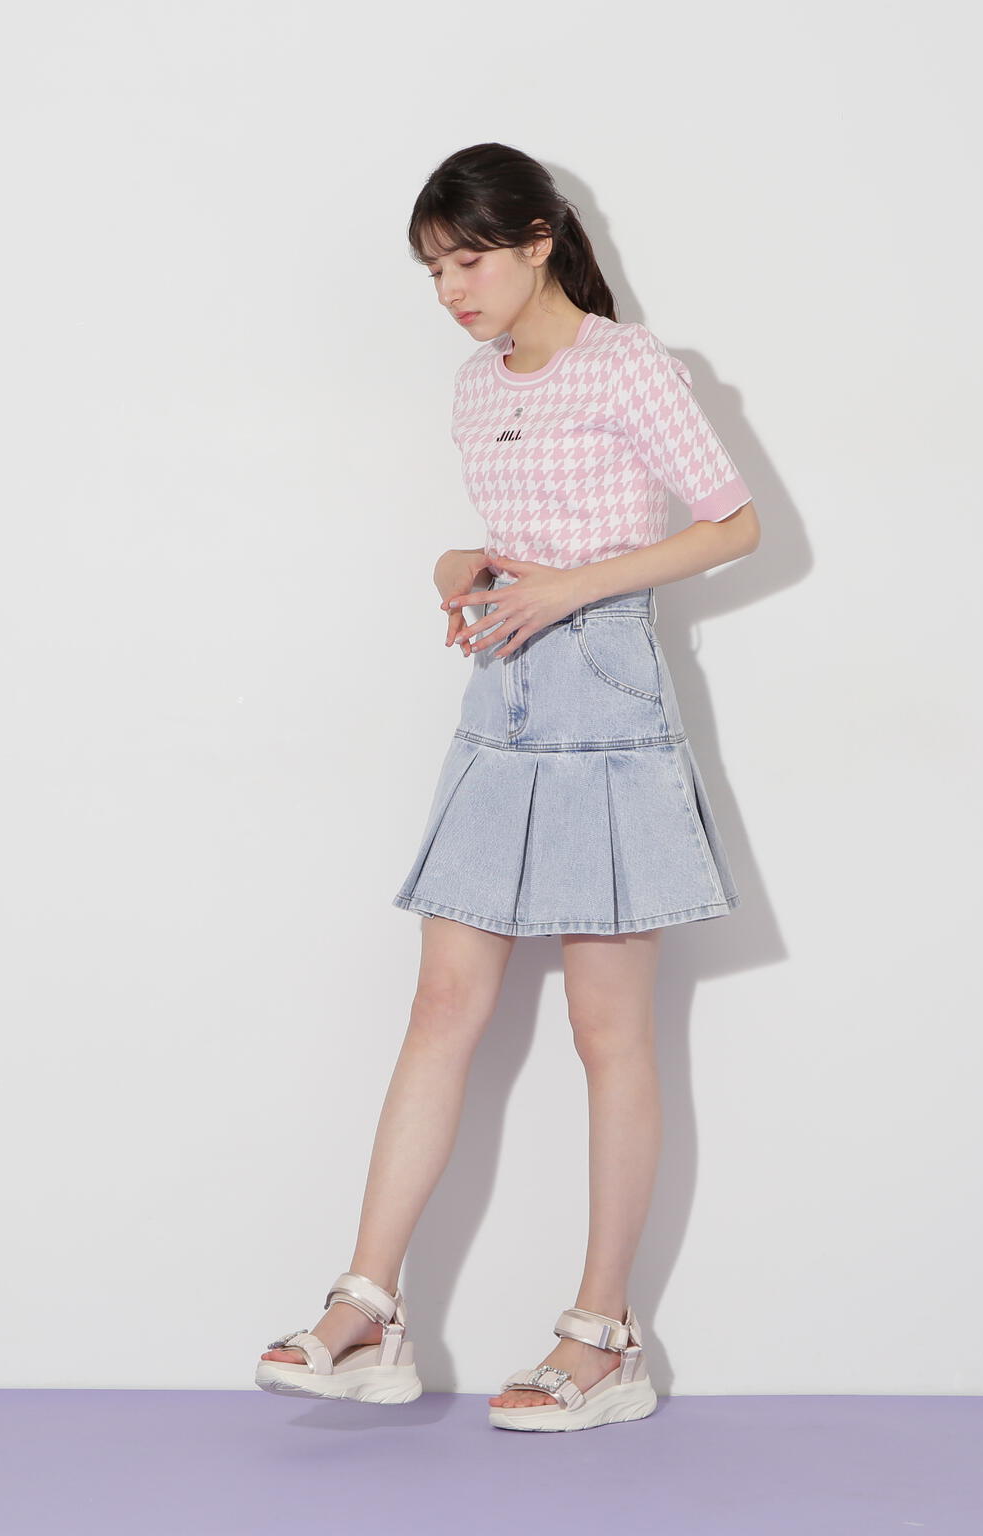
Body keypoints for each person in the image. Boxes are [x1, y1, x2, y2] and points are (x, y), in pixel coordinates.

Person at [255, 142, 760, 1433]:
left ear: (539, 240)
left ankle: (604, 1335)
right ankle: (366, 1307)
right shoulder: (476, 386)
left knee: (608, 1033)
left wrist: (572, 587)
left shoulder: (630, 364)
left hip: (608, 706)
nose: (451, 290)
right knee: (441, 1004)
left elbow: (732, 523)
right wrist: (462, 570)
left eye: (469, 259)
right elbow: (505, 539)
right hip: (500, 703)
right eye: (434, 269)